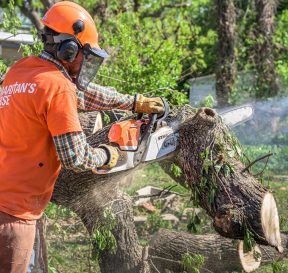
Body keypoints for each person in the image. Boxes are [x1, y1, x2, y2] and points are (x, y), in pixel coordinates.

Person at [0, 2, 165, 272]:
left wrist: (135, 102)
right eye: (85, 55)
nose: (86, 64)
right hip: (14, 217)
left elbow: (84, 94)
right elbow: (76, 158)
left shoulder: (20, 72)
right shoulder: (57, 86)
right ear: (69, 49)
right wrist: (109, 154)